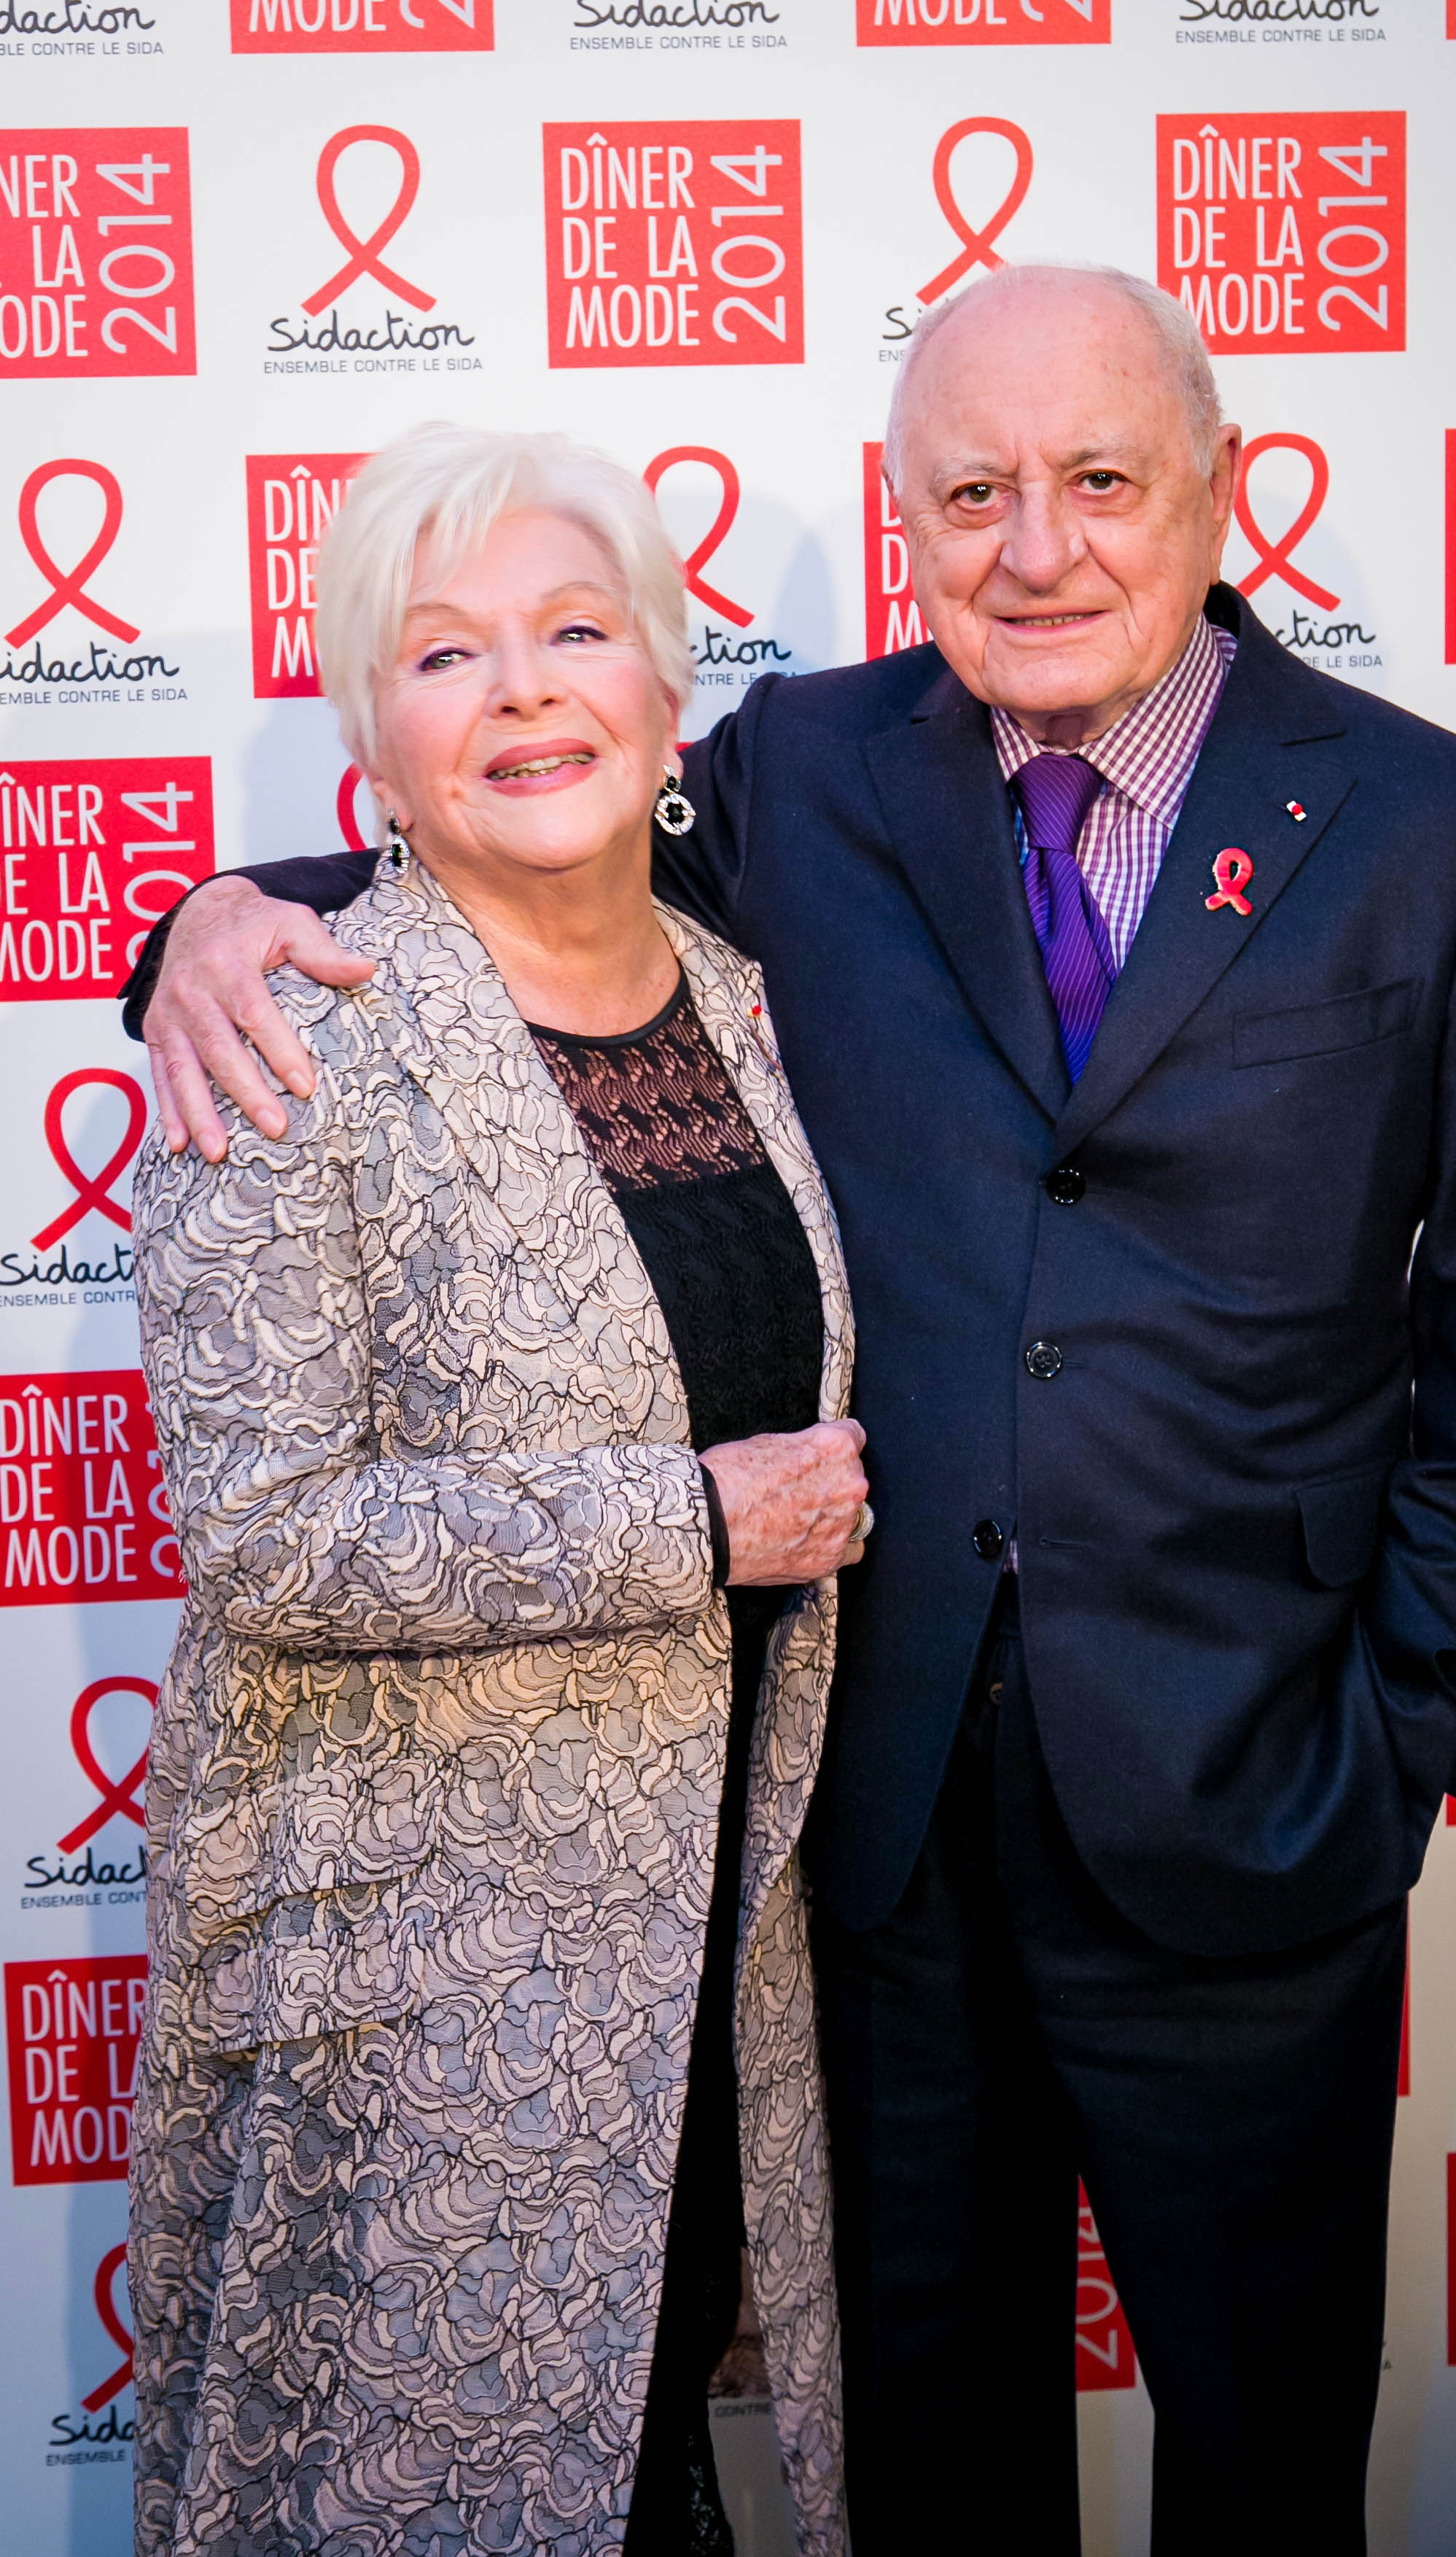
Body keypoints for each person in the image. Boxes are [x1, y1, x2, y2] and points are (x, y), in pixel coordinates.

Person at [130, 268, 1456, 2556]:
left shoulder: (1442, 827)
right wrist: (210, 925)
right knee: (927, 2476)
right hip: (879, 1834)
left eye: (1098, 480)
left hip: (1258, 1805)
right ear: (903, 515)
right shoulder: (803, 774)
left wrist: (1398, 1728)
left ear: (1217, 489)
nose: (1036, 546)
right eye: (970, 491)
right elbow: (527, 849)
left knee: (1263, 2472)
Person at [128, 424, 868, 2557]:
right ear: (375, 733)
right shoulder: (289, 1030)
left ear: (667, 690)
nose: (524, 692)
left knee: (655, 2470)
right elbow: (262, 1536)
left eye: (574, 632)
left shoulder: (756, 1002)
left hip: (722, 1950)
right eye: (446, 654)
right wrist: (695, 1524)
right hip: (416, 1984)